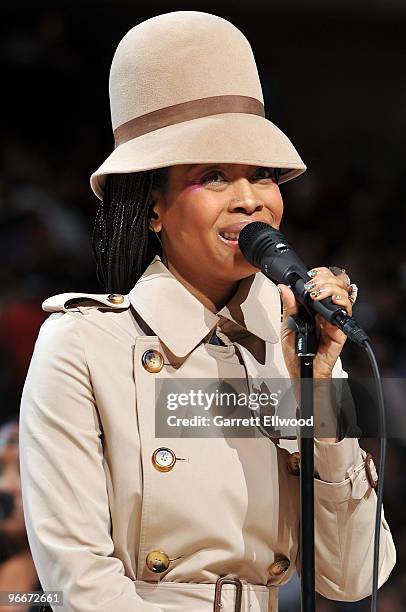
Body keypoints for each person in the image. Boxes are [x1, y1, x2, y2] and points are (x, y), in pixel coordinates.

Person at [18, 10, 396, 612]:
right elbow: (78, 581)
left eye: (263, 176)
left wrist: (320, 386)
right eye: (214, 176)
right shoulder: (82, 343)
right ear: (152, 207)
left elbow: (354, 576)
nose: (250, 200)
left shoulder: (295, 344)